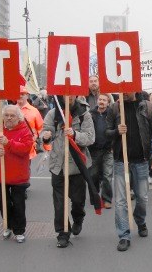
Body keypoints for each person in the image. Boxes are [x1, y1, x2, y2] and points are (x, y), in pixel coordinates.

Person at [106, 92, 152, 252]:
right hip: (120, 161)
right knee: (121, 201)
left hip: (141, 161)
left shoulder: (147, 107)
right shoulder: (115, 108)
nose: (124, 93)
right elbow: (106, 132)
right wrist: (116, 131)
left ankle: (140, 219)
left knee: (142, 197)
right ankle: (123, 235)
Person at [41, 95, 95, 248]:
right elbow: (45, 133)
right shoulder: (53, 114)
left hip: (77, 166)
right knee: (59, 204)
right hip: (58, 166)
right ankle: (63, 233)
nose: (68, 97)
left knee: (77, 201)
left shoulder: (84, 114)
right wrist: (46, 137)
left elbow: (90, 138)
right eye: (65, 94)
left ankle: (78, 218)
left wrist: (75, 135)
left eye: (71, 94)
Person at [0, 105, 33, 243]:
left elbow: (25, 149)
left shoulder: (25, 131)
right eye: (6, 115)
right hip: (0, 176)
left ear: (19, 117)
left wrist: (9, 143)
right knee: (1, 202)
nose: (9, 118)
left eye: (12, 115)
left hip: (18, 177)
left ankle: (19, 230)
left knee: (18, 204)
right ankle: (8, 224)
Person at [88, 94, 114, 209]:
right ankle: (95, 195)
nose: (102, 101)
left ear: (108, 102)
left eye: (104, 100)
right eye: (100, 99)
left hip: (108, 150)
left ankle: (107, 199)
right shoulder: (90, 114)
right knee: (93, 175)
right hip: (94, 150)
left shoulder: (112, 114)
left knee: (107, 175)